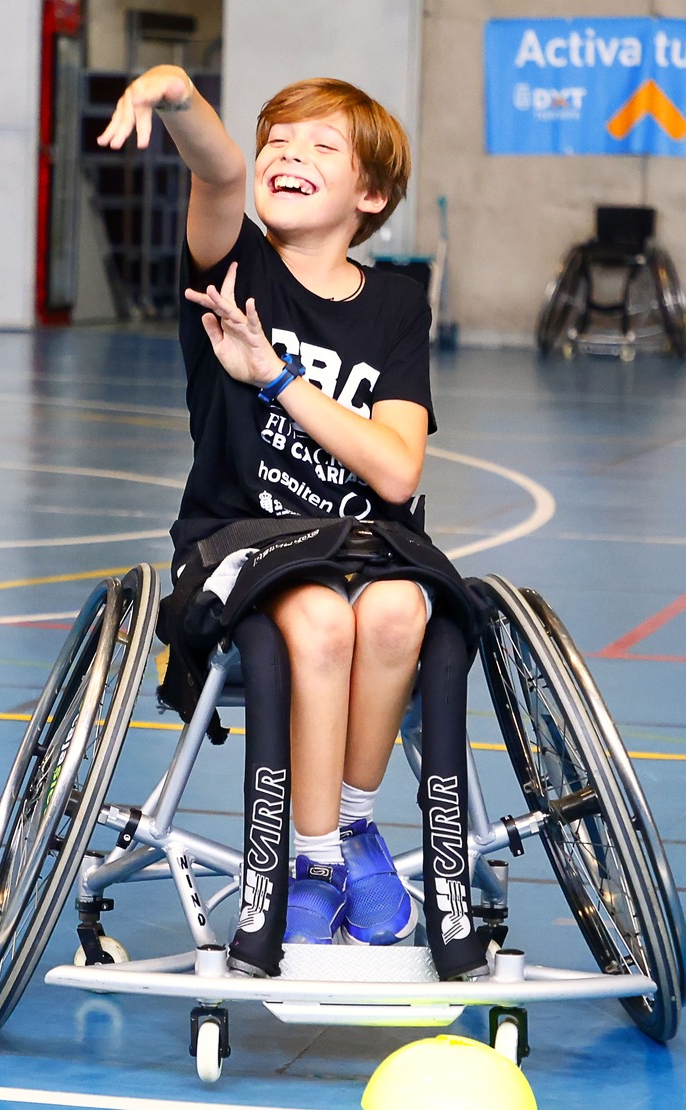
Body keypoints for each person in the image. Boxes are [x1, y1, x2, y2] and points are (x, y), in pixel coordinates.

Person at [99, 68, 489, 982]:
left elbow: (395, 467)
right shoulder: (237, 267)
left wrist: (276, 379)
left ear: (371, 194)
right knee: (316, 618)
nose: (288, 156)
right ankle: (314, 862)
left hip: (367, 544)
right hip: (242, 543)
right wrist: (176, 97)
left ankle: (350, 821)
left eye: (321, 147)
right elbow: (221, 170)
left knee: (397, 615)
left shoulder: (395, 303)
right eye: (281, 140)